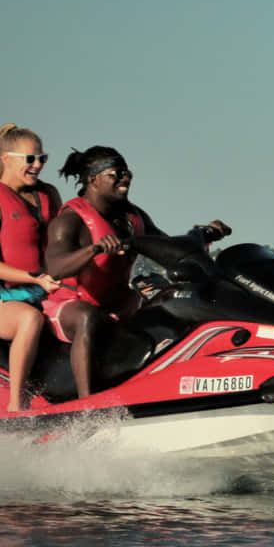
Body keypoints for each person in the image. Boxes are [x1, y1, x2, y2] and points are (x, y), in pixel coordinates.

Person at [41, 146, 230, 397]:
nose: (125, 178)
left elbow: (168, 247)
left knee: (176, 302)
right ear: (92, 179)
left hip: (121, 304)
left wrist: (203, 234)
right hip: (70, 304)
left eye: (127, 172)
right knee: (88, 317)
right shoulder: (70, 220)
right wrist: (94, 250)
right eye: (115, 173)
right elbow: (54, 267)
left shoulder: (134, 216)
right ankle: (87, 406)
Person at [0, 124, 66, 411]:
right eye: (30, 159)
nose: (37, 165)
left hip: (48, 290)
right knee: (30, 320)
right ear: (6, 158)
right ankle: (16, 405)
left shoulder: (50, 195)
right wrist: (35, 279)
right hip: (6, 302)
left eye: (42, 158)